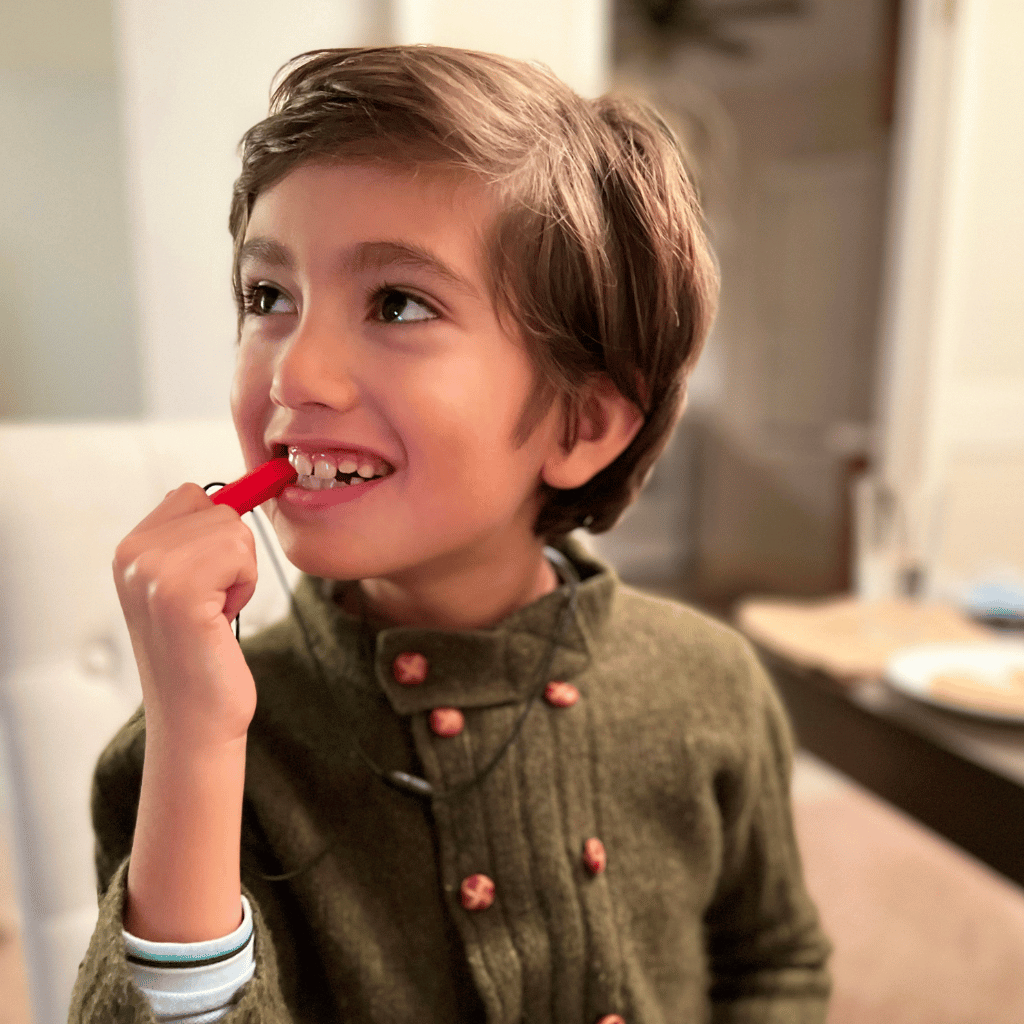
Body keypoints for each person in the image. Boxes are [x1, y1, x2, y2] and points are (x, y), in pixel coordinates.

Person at [69, 45, 830, 1024]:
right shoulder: (188, 754)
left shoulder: (710, 686)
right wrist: (196, 745)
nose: (294, 374)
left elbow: (774, 962)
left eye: (397, 303)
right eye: (268, 297)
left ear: (582, 423)